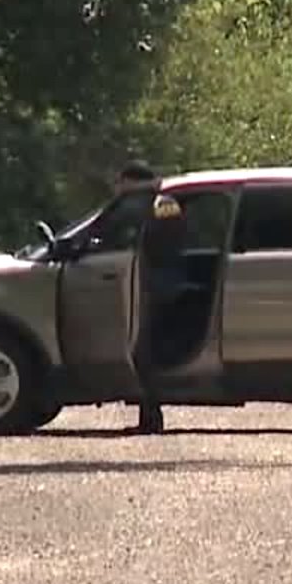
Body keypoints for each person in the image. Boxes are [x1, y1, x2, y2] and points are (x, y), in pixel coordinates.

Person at [110, 160, 187, 434]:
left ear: (133, 181)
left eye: (121, 182)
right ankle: (149, 414)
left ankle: (151, 417)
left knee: (145, 351)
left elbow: (167, 240)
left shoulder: (154, 204)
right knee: (145, 351)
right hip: (155, 280)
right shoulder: (155, 204)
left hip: (157, 283)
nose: (117, 188)